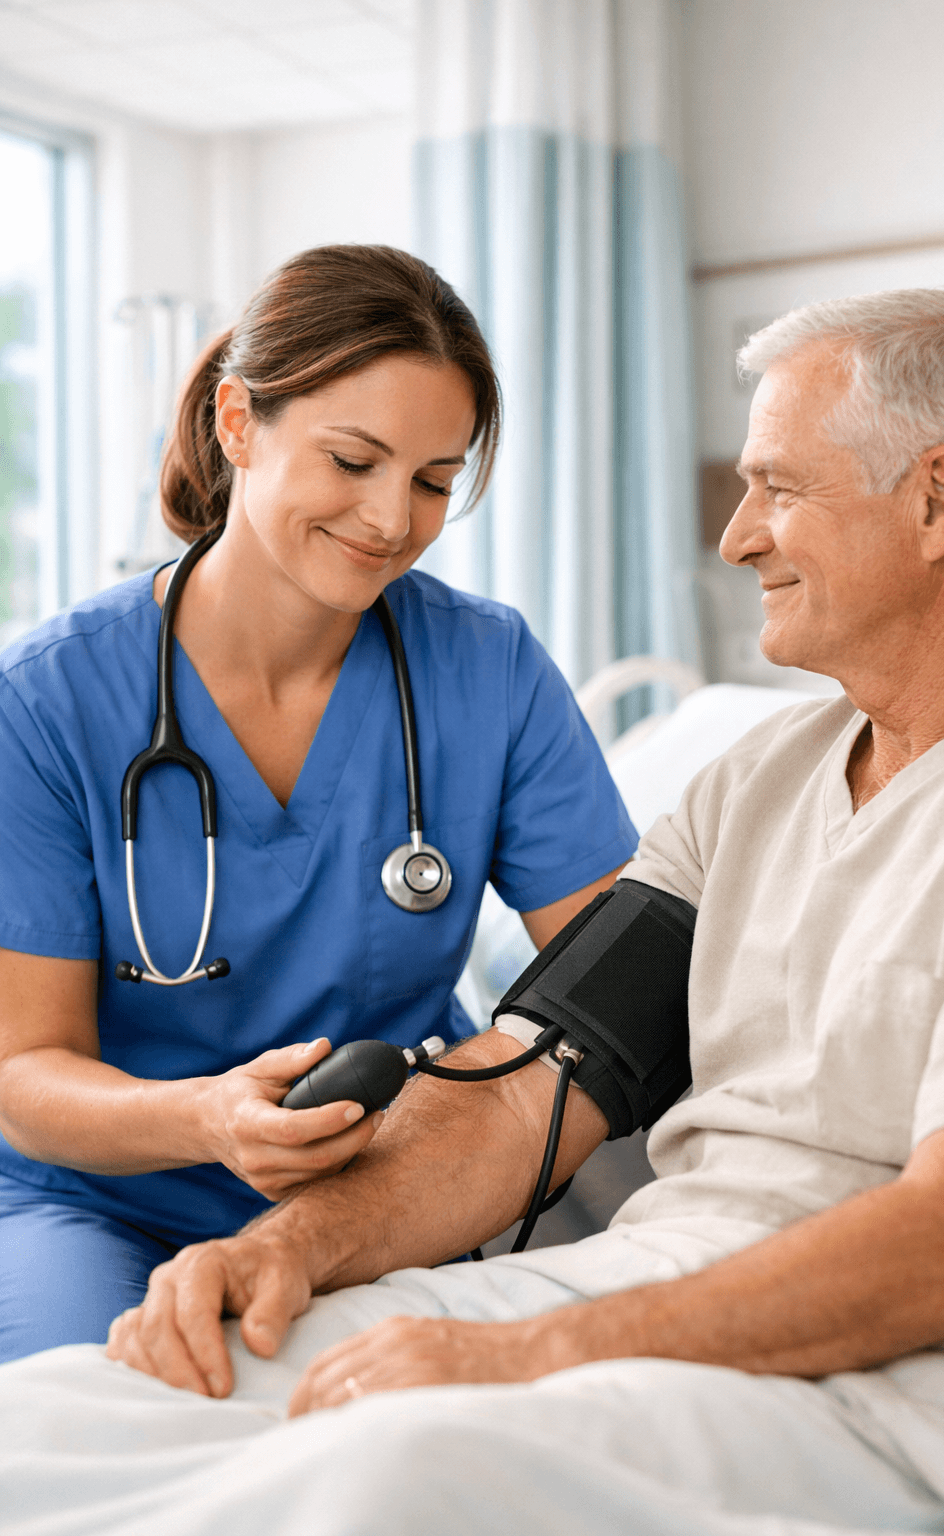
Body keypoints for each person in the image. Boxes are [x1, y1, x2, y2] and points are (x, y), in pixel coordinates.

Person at [3, 285, 944, 1536]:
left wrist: (529, 1353)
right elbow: (541, 1077)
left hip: (884, 1357)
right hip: (633, 1271)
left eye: (780, 488)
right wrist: (295, 1247)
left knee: (385, 1475)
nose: (735, 537)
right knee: (63, 1420)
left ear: (936, 498)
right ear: (237, 425)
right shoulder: (751, 787)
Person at [0, 245, 637, 1365]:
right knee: (91, 1409)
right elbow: (25, 1076)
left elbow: (605, 989)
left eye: (435, 481)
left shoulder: (487, 671)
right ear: (238, 424)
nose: (393, 519)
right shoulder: (47, 702)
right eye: (353, 460)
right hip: (98, 1201)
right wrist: (205, 1118)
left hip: (372, 1198)